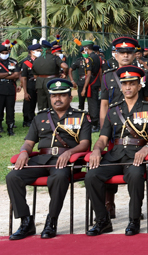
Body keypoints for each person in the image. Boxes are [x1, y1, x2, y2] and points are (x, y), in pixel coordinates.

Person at [7, 78, 91, 240]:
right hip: (42, 159)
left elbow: (85, 144)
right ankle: (26, 222)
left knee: (58, 177)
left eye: (62, 95)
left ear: (70, 97)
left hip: (65, 160)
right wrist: (24, 152)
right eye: (54, 96)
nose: (57, 99)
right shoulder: (40, 117)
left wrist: (69, 152)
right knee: (13, 177)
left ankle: (51, 221)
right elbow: (29, 143)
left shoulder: (80, 117)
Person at [85, 66, 148, 236]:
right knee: (91, 176)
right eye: (125, 84)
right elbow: (103, 138)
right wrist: (96, 150)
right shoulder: (114, 110)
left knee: (135, 175)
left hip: (136, 155)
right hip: (115, 155)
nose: (128, 87)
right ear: (121, 86)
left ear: (139, 86)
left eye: (132, 84)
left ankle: (134, 220)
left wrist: (146, 148)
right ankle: (103, 221)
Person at [31, 40, 67, 112]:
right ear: (50, 49)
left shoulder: (36, 60)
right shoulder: (54, 58)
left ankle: (42, 117)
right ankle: (53, 116)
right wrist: (64, 74)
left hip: (40, 83)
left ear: (42, 50)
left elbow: (35, 75)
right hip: (52, 82)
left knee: (42, 104)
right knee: (53, 102)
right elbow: (65, 66)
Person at [0, 40, 20, 136]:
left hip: (10, 89)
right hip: (0, 89)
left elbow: (16, 75)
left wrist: (3, 76)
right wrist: (9, 73)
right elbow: (12, 74)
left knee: (10, 110)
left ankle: (10, 129)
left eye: (6, 53)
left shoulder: (13, 62)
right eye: (3, 53)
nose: (5, 54)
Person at [19, 42, 41, 127]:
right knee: (29, 103)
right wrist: (25, 92)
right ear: (32, 51)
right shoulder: (26, 62)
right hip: (30, 84)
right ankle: (27, 120)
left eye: (40, 51)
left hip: (39, 84)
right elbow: (24, 77)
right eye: (37, 50)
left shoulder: (40, 60)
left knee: (39, 103)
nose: (39, 52)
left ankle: (38, 119)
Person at [68, 46, 90, 112]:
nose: (85, 53)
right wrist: (72, 81)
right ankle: (81, 114)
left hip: (91, 81)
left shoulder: (91, 59)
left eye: (86, 52)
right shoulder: (79, 61)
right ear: (81, 53)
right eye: (83, 52)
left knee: (91, 102)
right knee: (81, 101)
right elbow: (70, 70)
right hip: (81, 82)